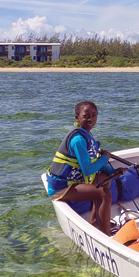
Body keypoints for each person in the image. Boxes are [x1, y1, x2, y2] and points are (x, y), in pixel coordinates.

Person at [45, 101, 120, 236]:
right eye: (86, 116)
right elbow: (87, 170)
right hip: (61, 187)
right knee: (104, 193)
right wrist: (105, 158)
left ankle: (96, 222)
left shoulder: (86, 135)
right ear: (77, 117)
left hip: (74, 181)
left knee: (106, 178)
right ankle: (106, 236)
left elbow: (91, 160)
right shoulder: (78, 139)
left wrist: (112, 172)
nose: (90, 119)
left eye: (94, 115)